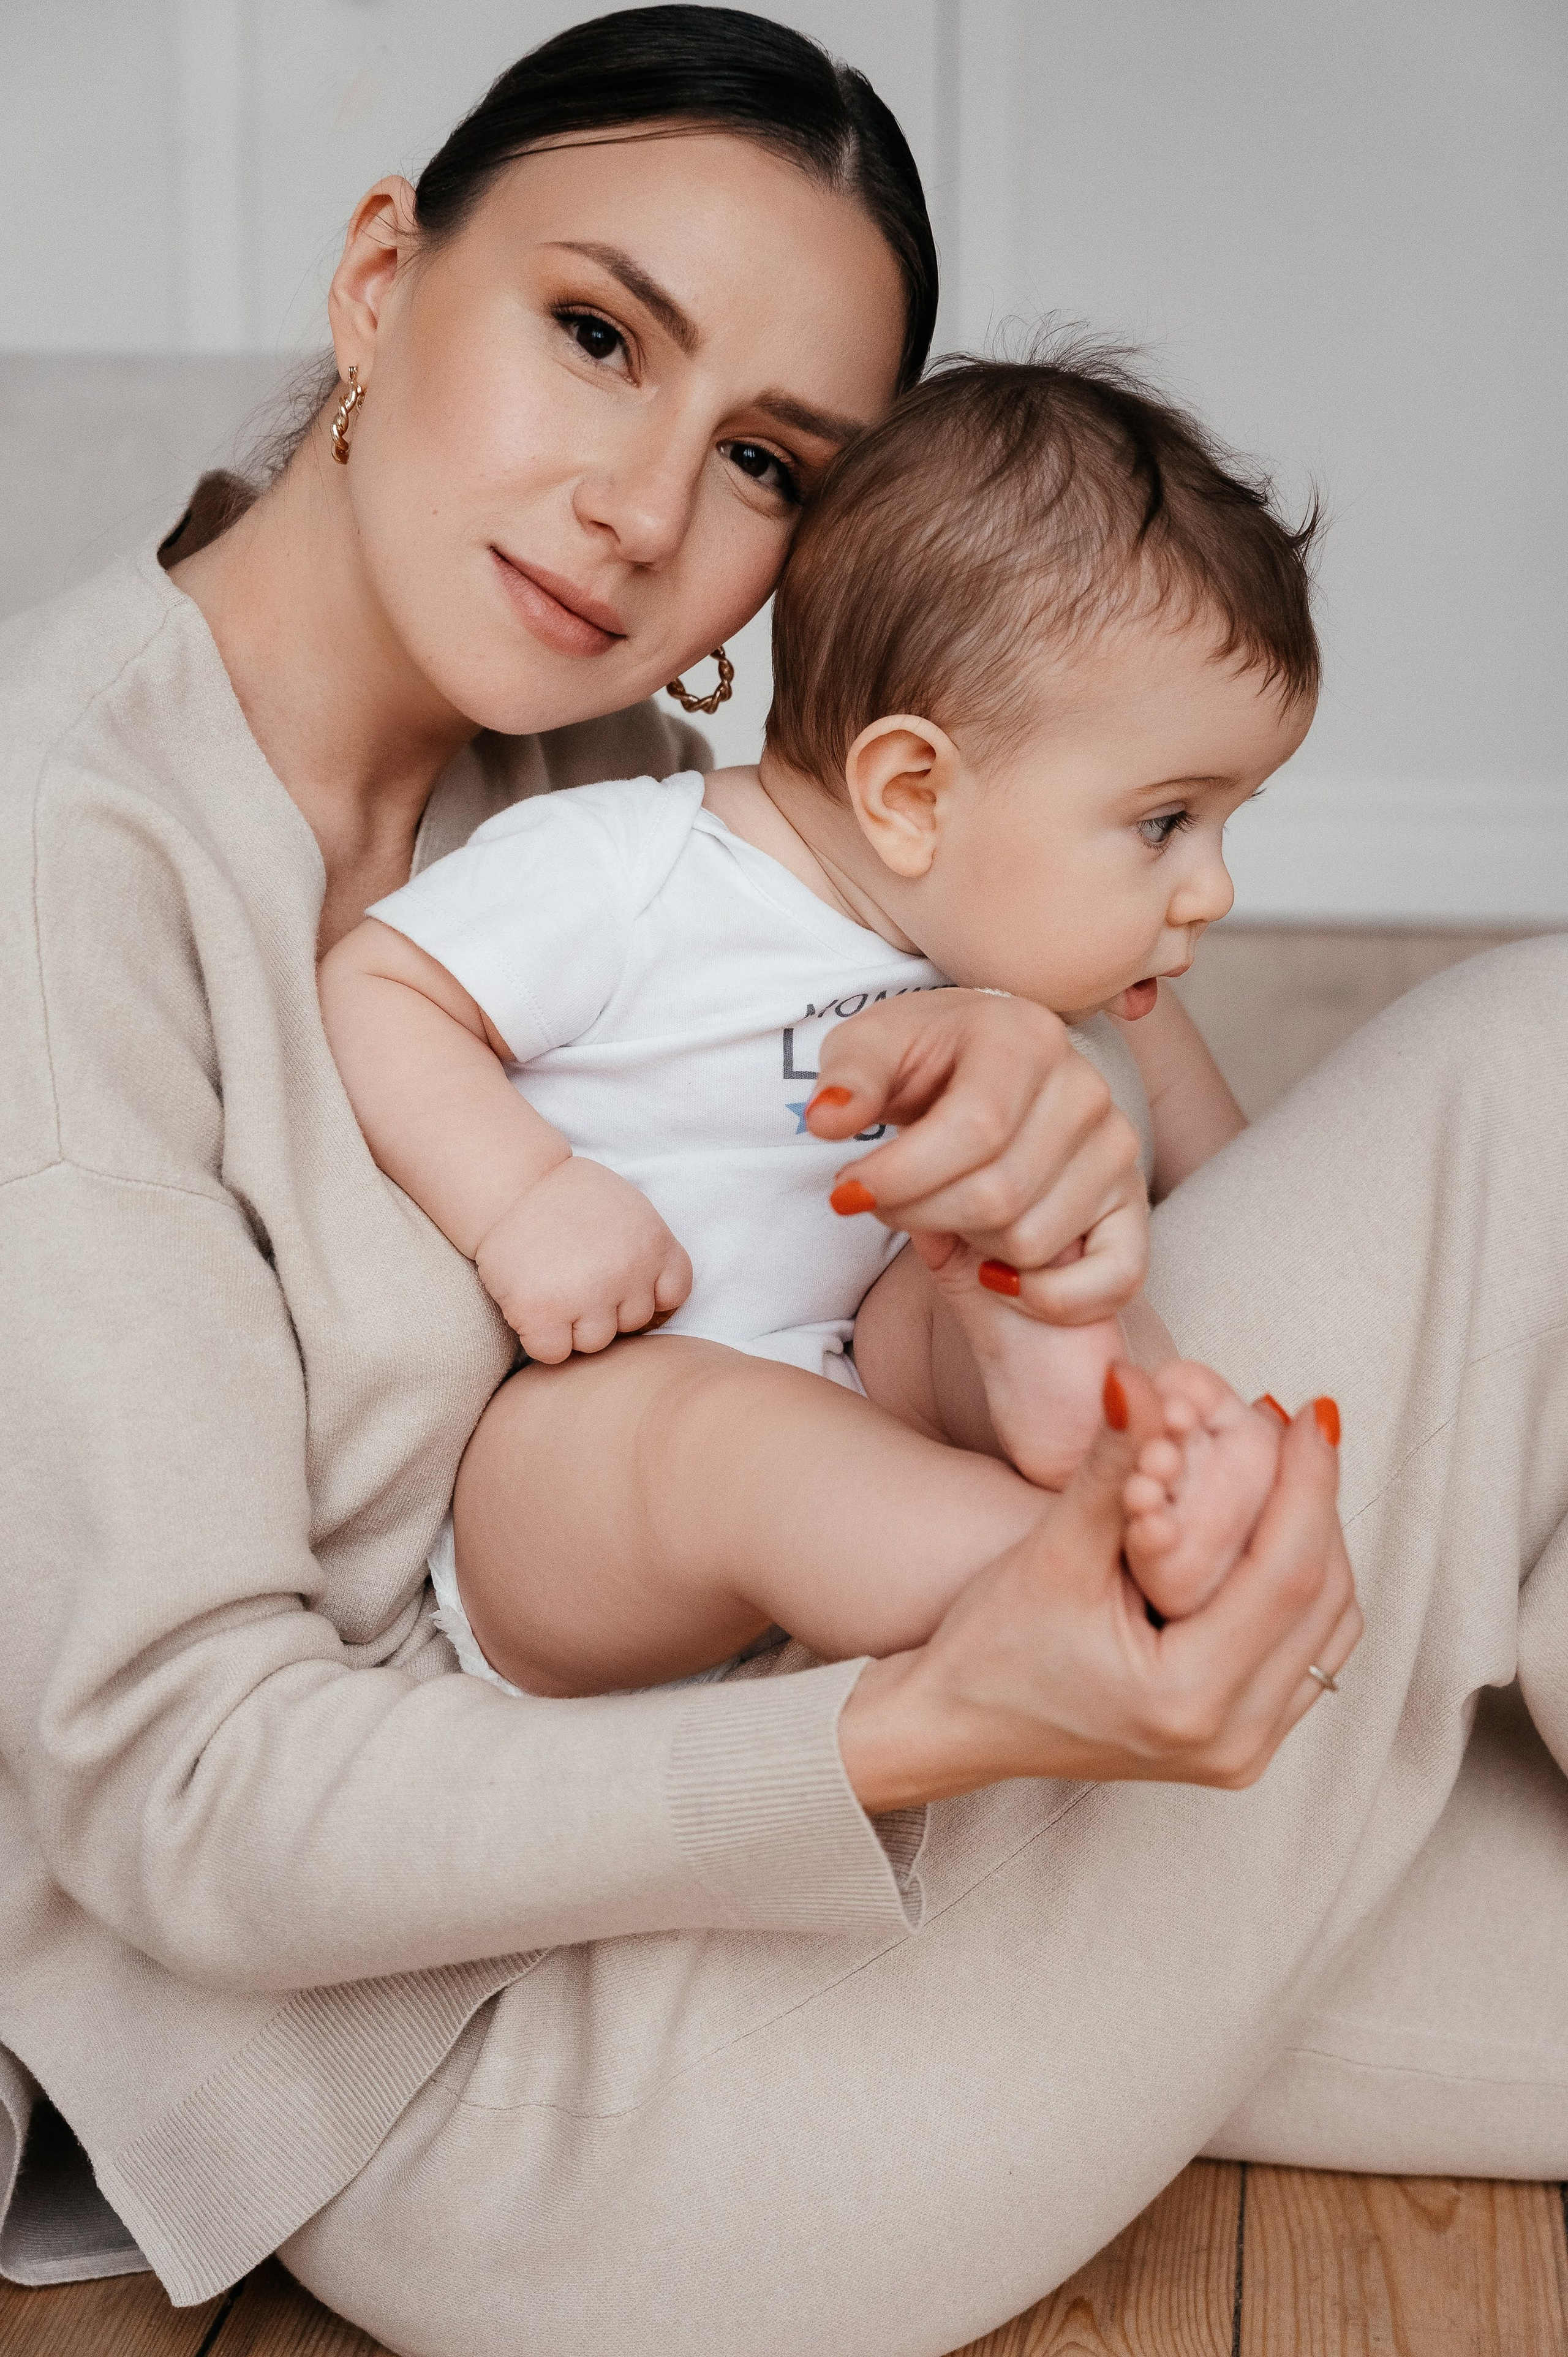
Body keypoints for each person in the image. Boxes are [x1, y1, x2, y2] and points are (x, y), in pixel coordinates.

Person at [0, 12, 1562, 2355]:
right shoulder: (64, 865)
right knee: (1538, 1059)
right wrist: (931, 1715)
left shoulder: (611, 756)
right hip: (513, 2077)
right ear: (375, 281)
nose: (643, 506)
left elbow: (1023, 1014)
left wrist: (1049, 1077)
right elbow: (193, 1802)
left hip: (855, 1792)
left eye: (757, 457)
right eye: (593, 331)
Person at [319, 350, 1313, 1700]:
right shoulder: (630, 870)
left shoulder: (1041, 976)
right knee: (726, 1438)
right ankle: (1062, 1566)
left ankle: (1114, 1458)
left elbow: (1241, 1194)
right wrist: (527, 1200)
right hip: (588, 1480)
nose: (1210, 888)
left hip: (878, 1415)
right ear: (910, 790)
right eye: (1162, 823)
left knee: (1008, 1252)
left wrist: (1069, 1264)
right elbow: (381, 986)